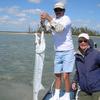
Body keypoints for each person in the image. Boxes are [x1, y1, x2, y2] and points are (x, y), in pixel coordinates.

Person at [40, 2, 75, 100]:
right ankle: (56, 94)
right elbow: (45, 28)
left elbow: (59, 29)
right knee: (57, 75)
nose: (58, 11)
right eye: (56, 10)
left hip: (68, 50)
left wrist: (49, 18)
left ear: (64, 10)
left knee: (65, 75)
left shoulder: (66, 19)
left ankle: (67, 95)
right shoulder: (53, 20)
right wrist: (42, 21)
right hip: (58, 51)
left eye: (60, 10)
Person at [72, 33, 100, 100]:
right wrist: (74, 82)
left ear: (89, 41)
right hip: (84, 91)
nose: (83, 42)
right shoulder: (77, 57)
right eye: (80, 41)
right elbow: (78, 72)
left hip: (97, 90)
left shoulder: (96, 54)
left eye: (85, 40)